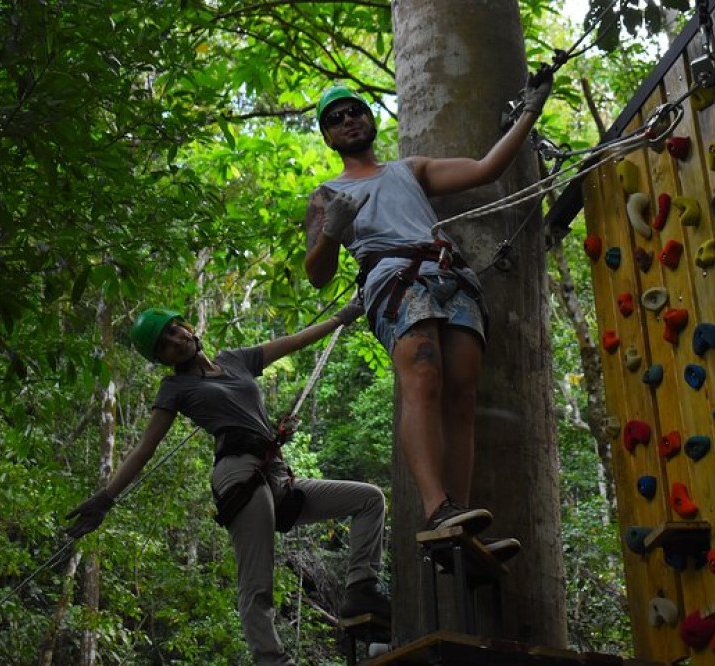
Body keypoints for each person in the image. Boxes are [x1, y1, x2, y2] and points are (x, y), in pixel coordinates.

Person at [64, 300, 389, 666]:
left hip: (276, 473)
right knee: (257, 579)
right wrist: (106, 499)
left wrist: (343, 317)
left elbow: (295, 341)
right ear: (163, 359)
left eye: (174, 330)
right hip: (238, 474)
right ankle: (272, 660)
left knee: (369, 500)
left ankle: (361, 590)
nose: (176, 340)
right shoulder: (175, 387)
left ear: (186, 326)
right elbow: (144, 448)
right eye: (165, 344)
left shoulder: (235, 360)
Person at [302, 77, 551, 548]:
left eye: (354, 110)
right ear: (328, 137)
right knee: (423, 375)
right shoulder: (326, 195)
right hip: (394, 279)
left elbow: (486, 169)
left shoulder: (409, 170)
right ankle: (436, 505)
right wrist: (332, 230)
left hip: (448, 274)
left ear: (369, 118)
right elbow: (317, 273)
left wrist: (530, 113)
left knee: (461, 393)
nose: (348, 119)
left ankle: (459, 514)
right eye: (335, 119)